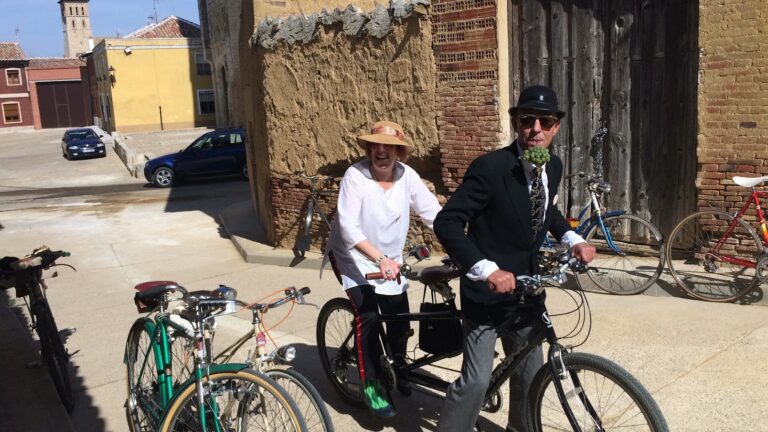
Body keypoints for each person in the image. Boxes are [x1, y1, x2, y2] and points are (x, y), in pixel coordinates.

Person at [433, 85, 596, 432]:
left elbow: (544, 210)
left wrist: (573, 238)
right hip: (487, 294)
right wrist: (487, 269)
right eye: (527, 120)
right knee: (476, 383)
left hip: (527, 291)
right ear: (516, 124)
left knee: (530, 373)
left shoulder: (552, 165)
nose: (535, 128)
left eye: (544, 121)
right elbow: (446, 222)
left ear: (556, 127)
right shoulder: (491, 168)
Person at [324, 120, 442, 418]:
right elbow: (348, 227)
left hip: (390, 260)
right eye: (375, 145)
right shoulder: (355, 176)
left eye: (388, 146)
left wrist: (463, 246)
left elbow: (434, 214)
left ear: (398, 152)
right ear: (367, 148)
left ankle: (398, 367)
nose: (381, 151)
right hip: (354, 257)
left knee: (399, 317)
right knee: (370, 318)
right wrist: (379, 260)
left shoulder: (407, 177)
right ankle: (372, 384)